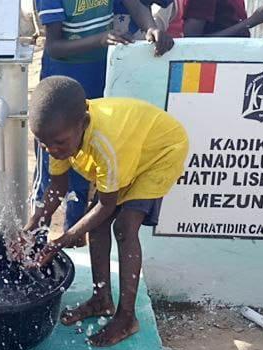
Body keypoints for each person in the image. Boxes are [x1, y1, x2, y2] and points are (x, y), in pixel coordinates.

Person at [25, 76, 189, 347]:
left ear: (83, 124)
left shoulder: (103, 143)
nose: (51, 150)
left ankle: (127, 318)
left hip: (159, 153)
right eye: (43, 143)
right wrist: (31, 228)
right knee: (98, 226)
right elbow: (56, 188)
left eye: (58, 143)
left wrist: (65, 238)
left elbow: (107, 204)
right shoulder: (56, 135)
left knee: (124, 227)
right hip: (129, 153)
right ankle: (102, 299)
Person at [33, 0, 173, 234]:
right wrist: (98, 40)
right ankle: (35, 242)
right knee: (52, 169)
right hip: (60, 88)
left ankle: (72, 238)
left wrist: (151, 27)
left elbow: (136, 6)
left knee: (85, 163)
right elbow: (54, 46)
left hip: (99, 78)